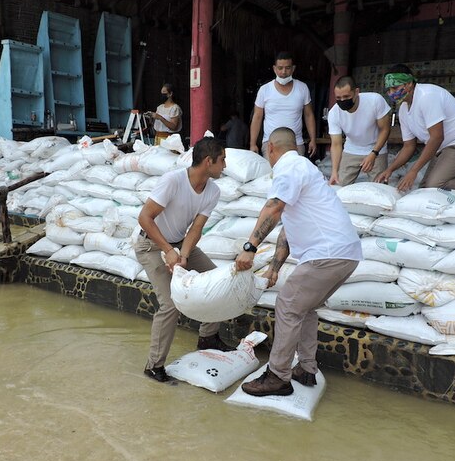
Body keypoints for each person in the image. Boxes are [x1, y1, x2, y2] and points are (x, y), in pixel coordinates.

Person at [234, 127, 361, 396]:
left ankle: (278, 377)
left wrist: (250, 247)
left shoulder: (288, 167)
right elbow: (287, 228)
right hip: (344, 255)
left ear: (270, 148)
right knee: (305, 307)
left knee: (288, 305)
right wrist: (274, 268)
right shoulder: (304, 168)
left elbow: (273, 208)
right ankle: (306, 368)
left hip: (327, 254)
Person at [135, 137, 233, 383]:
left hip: (180, 244)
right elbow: (144, 218)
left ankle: (207, 337)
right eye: (222, 160)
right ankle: (154, 366)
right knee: (170, 304)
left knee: (217, 281)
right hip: (151, 244)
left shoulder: (213, 190)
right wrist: (168, 250)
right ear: (208, 161)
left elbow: (196, 229)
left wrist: (184, 255)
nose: (225, 165)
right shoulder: (173, 181)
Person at [375, 64, 455, 193]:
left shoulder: (427, 96)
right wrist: (389, 170)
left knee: (434, 186)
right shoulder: (403, 110)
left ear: (408, 84)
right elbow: (408, 146)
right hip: (443, 148)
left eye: (395, 88)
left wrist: (413, 171)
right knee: (424, 189)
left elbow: (437, 137)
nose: (391, 93)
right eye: (388, 90)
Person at [249, 52, 317, 159]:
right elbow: (257, 117)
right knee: (273, 175)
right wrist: (252, 144)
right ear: (274, 69)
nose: (283, 72)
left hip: (296, 144)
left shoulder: (302, 88)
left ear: (293, 68)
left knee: (296, 175)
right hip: (271, 144)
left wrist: (313, 139)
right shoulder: (264, 90)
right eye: (280, 68)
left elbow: (309, 115)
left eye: (287, 68)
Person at [328, 76, 391, 186]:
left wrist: (374, 153)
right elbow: (336, 144)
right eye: (338, 98)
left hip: (376, 148)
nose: (342, 100)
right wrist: (334, 171)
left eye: (346, 96)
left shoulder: (375, 100)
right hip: (352, 148)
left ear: (356, 92)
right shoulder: (334, 113)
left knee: (379, 188)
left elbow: (385, 129)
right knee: (340, 184)